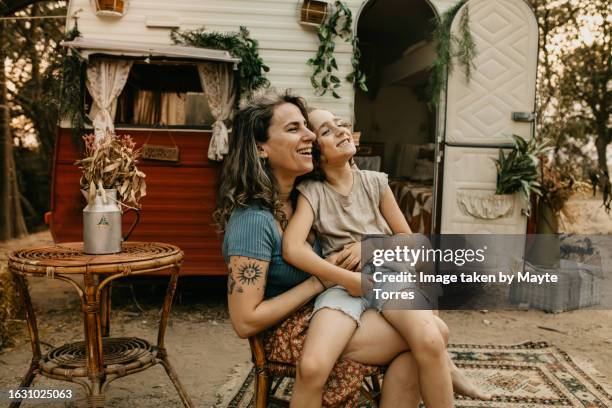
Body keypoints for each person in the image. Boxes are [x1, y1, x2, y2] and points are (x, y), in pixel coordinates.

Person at [214, 89, 423, 407]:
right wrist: (324, 280)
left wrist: (369, 248)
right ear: (261, 148)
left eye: (307, 127)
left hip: (328, 309)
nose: (309, 135)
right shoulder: (253, 222)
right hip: (288, 330)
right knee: (422, 335)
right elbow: (245, 322)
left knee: (418, 320)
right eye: (293, 128)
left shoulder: (301, 198)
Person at [283, 108, 489, 408]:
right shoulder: (311, 192)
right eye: (327, 131)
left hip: (389, 277)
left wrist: (372, 247)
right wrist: (345, 278)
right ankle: (448, 366)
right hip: (341, 287)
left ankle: (446, 366)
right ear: (318, 154)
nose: (340, 130)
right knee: (312, 366)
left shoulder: (375, 183)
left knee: (430, 339)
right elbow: (293, 248)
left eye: (341, 124)